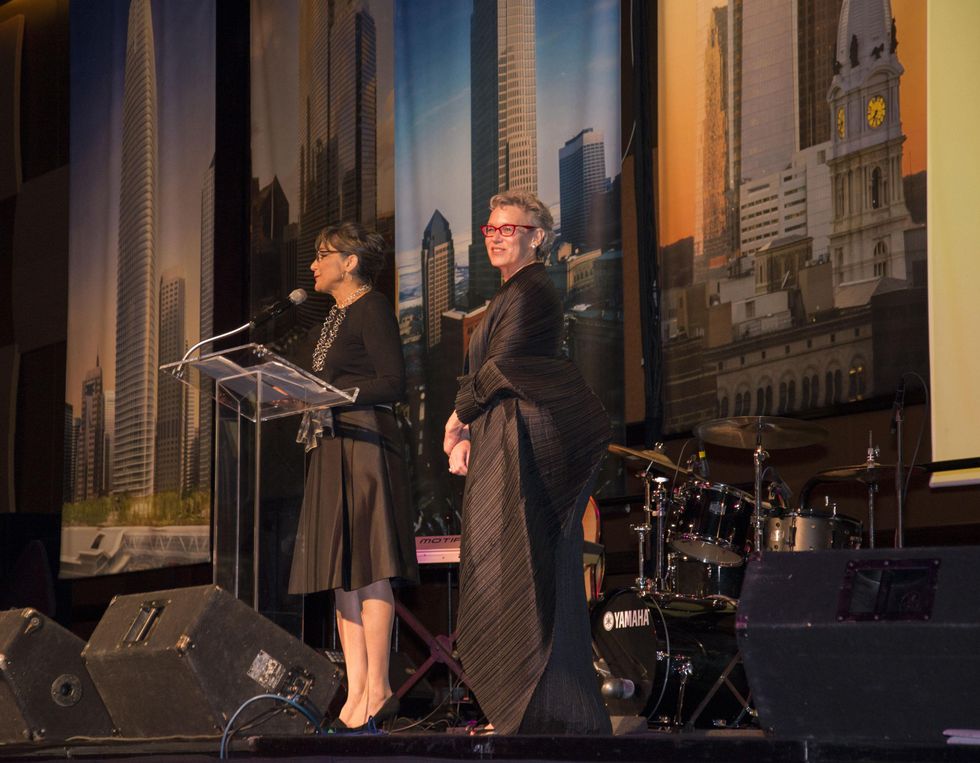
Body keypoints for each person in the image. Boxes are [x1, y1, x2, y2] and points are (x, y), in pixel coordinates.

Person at [443, 190, 612, 735]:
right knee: (510, 575)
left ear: (537, 237)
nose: (495, 236)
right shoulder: (507, 296)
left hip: (529, 448)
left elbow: (506, 365)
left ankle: (533, 714)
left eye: (507, 229)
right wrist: (471, 429)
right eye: (490, 228)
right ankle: (524, 712)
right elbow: (490, 373)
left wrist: (457, 415)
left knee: (518, 575)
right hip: (503, 441)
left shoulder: (535, 290)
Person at [289, 222, 418, 730]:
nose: (314, 265)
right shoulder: (328, 321)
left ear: (351, 262)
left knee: (368, 566)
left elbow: (393, 382)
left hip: (366, 445)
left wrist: (338, 396)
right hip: (328, 443)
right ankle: (356, 689)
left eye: (323, 255)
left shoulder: (373, 308)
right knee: (339, 571)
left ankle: (380, 685)